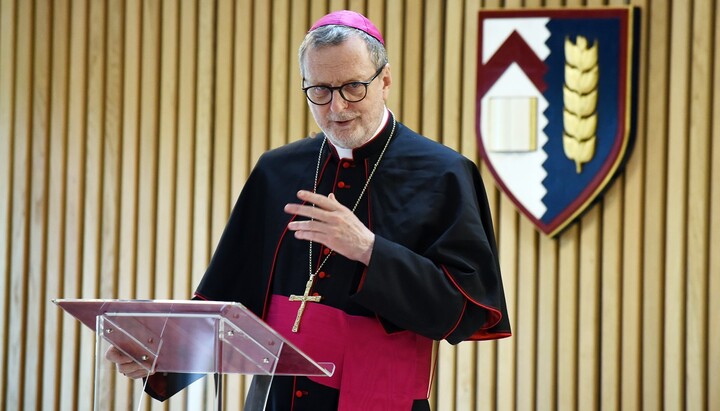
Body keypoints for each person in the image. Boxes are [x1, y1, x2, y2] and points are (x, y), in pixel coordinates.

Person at [106, 10, 511, 410]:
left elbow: (466, 310)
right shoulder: (276, 170)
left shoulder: (443, 173)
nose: (336, 108)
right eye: (320, 90)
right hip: (277, 398)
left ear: (385, 80)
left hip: (380, 396)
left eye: (353, 87)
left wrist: (369, 249)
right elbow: (233, 297)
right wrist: (164, 357)